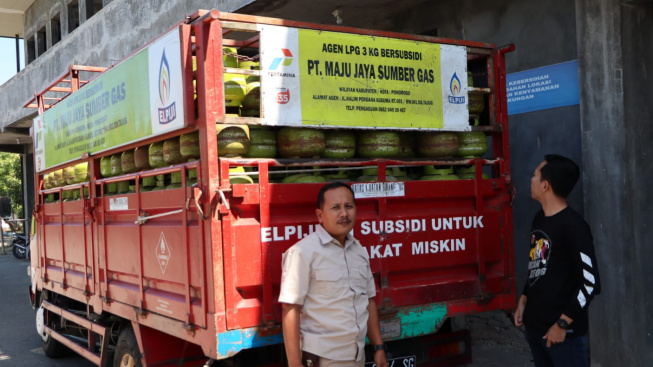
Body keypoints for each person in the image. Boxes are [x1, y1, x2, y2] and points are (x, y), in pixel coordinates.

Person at [279, 182, 388, 367]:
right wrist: (295, 363)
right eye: (336, 207)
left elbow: (368, 301)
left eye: (349, 206)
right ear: (320, 215)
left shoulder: (359, 251)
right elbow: (290, 309)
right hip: (323, 359)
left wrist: (378, 348)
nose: (344, 213)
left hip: (357, 356)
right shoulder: (303, 253)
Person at [514, 154, 601, 367]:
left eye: (534, 175)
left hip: (563, 337)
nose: (531, 179)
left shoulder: (574, 227)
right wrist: (524, 299)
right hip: (536, 330)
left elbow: (590, 283)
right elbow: (539, 264)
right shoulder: (539, 218)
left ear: (545, 185)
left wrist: (562, 324)